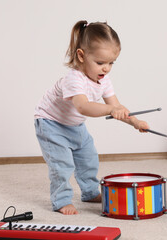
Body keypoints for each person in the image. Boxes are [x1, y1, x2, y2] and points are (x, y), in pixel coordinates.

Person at [34, 20, 149, 215]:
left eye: (111, 63)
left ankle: (89, 192)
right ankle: (61, 200)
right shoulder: (73, 78)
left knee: (89, 159)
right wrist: (110, 110)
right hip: (51, 123)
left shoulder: (104, 81)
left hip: (75, 125)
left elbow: (117, 106)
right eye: (100, 63)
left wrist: (135, 122)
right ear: (81, 55)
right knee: (62, 164)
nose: (106, 68)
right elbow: (83, 106)